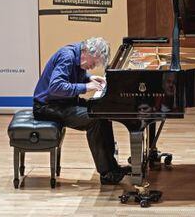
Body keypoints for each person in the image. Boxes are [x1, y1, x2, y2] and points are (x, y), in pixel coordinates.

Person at [33, 37, 129, 185]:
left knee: (102, 111)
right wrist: (86, 87)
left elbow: (75, 75)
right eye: (94, 62)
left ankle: (112, 167)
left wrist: (90, 78)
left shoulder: (77, 54)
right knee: (94, 119)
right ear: (87, 52)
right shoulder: (67, 57)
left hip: (62, 103)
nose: (93, 66)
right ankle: (106, 173)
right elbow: (56, 87)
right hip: (47, 107)